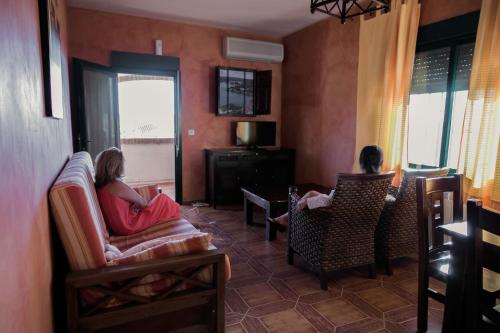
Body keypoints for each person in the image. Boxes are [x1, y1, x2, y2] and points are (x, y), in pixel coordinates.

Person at [269, 145, 384, 228]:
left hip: (340, 216)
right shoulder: (382, 180)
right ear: (380, 161)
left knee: (305, 201)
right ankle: (284, 219)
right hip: (355, 214)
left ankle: (286, 220)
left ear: (361, 161)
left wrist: (308, 202)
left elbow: (332, 201)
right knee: (311, 193)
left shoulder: (355, 181)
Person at [94, 147, 180, 235]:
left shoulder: (101, 185)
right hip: (129, 225)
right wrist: (137, 206)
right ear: (117, 166)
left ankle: (178, 218)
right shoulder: (116, 185)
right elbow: (143, 203)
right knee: (162, 199)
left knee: (161, 204)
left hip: (119, 227)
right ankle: (181, 221)